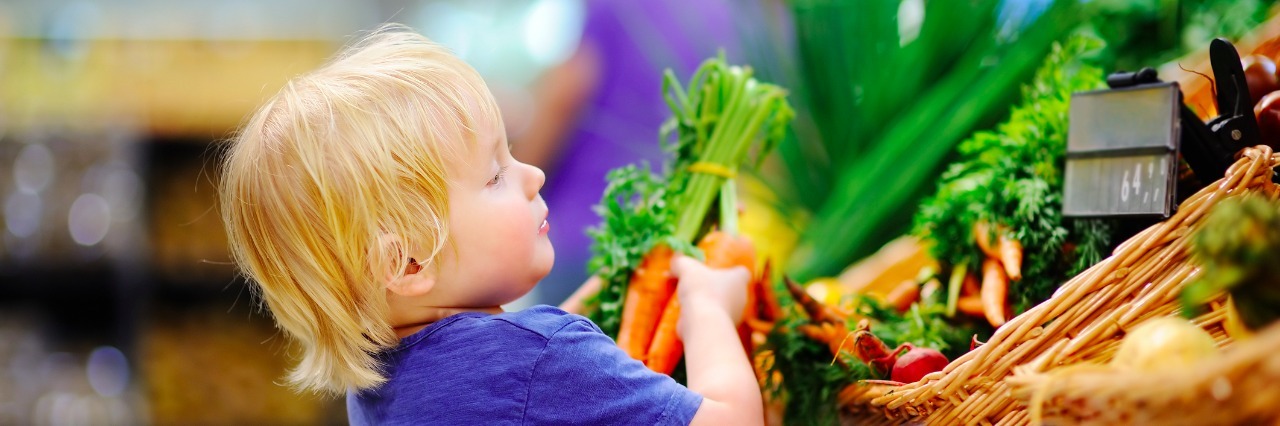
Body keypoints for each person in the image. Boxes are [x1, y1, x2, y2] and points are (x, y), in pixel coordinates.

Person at [218, 24, 762, 425]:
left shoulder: (379, 381)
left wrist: (597, 297)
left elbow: (516, 377)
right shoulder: (542, 358)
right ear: (408, 264)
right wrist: (708, 310)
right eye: (495, 175)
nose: (533, 175)